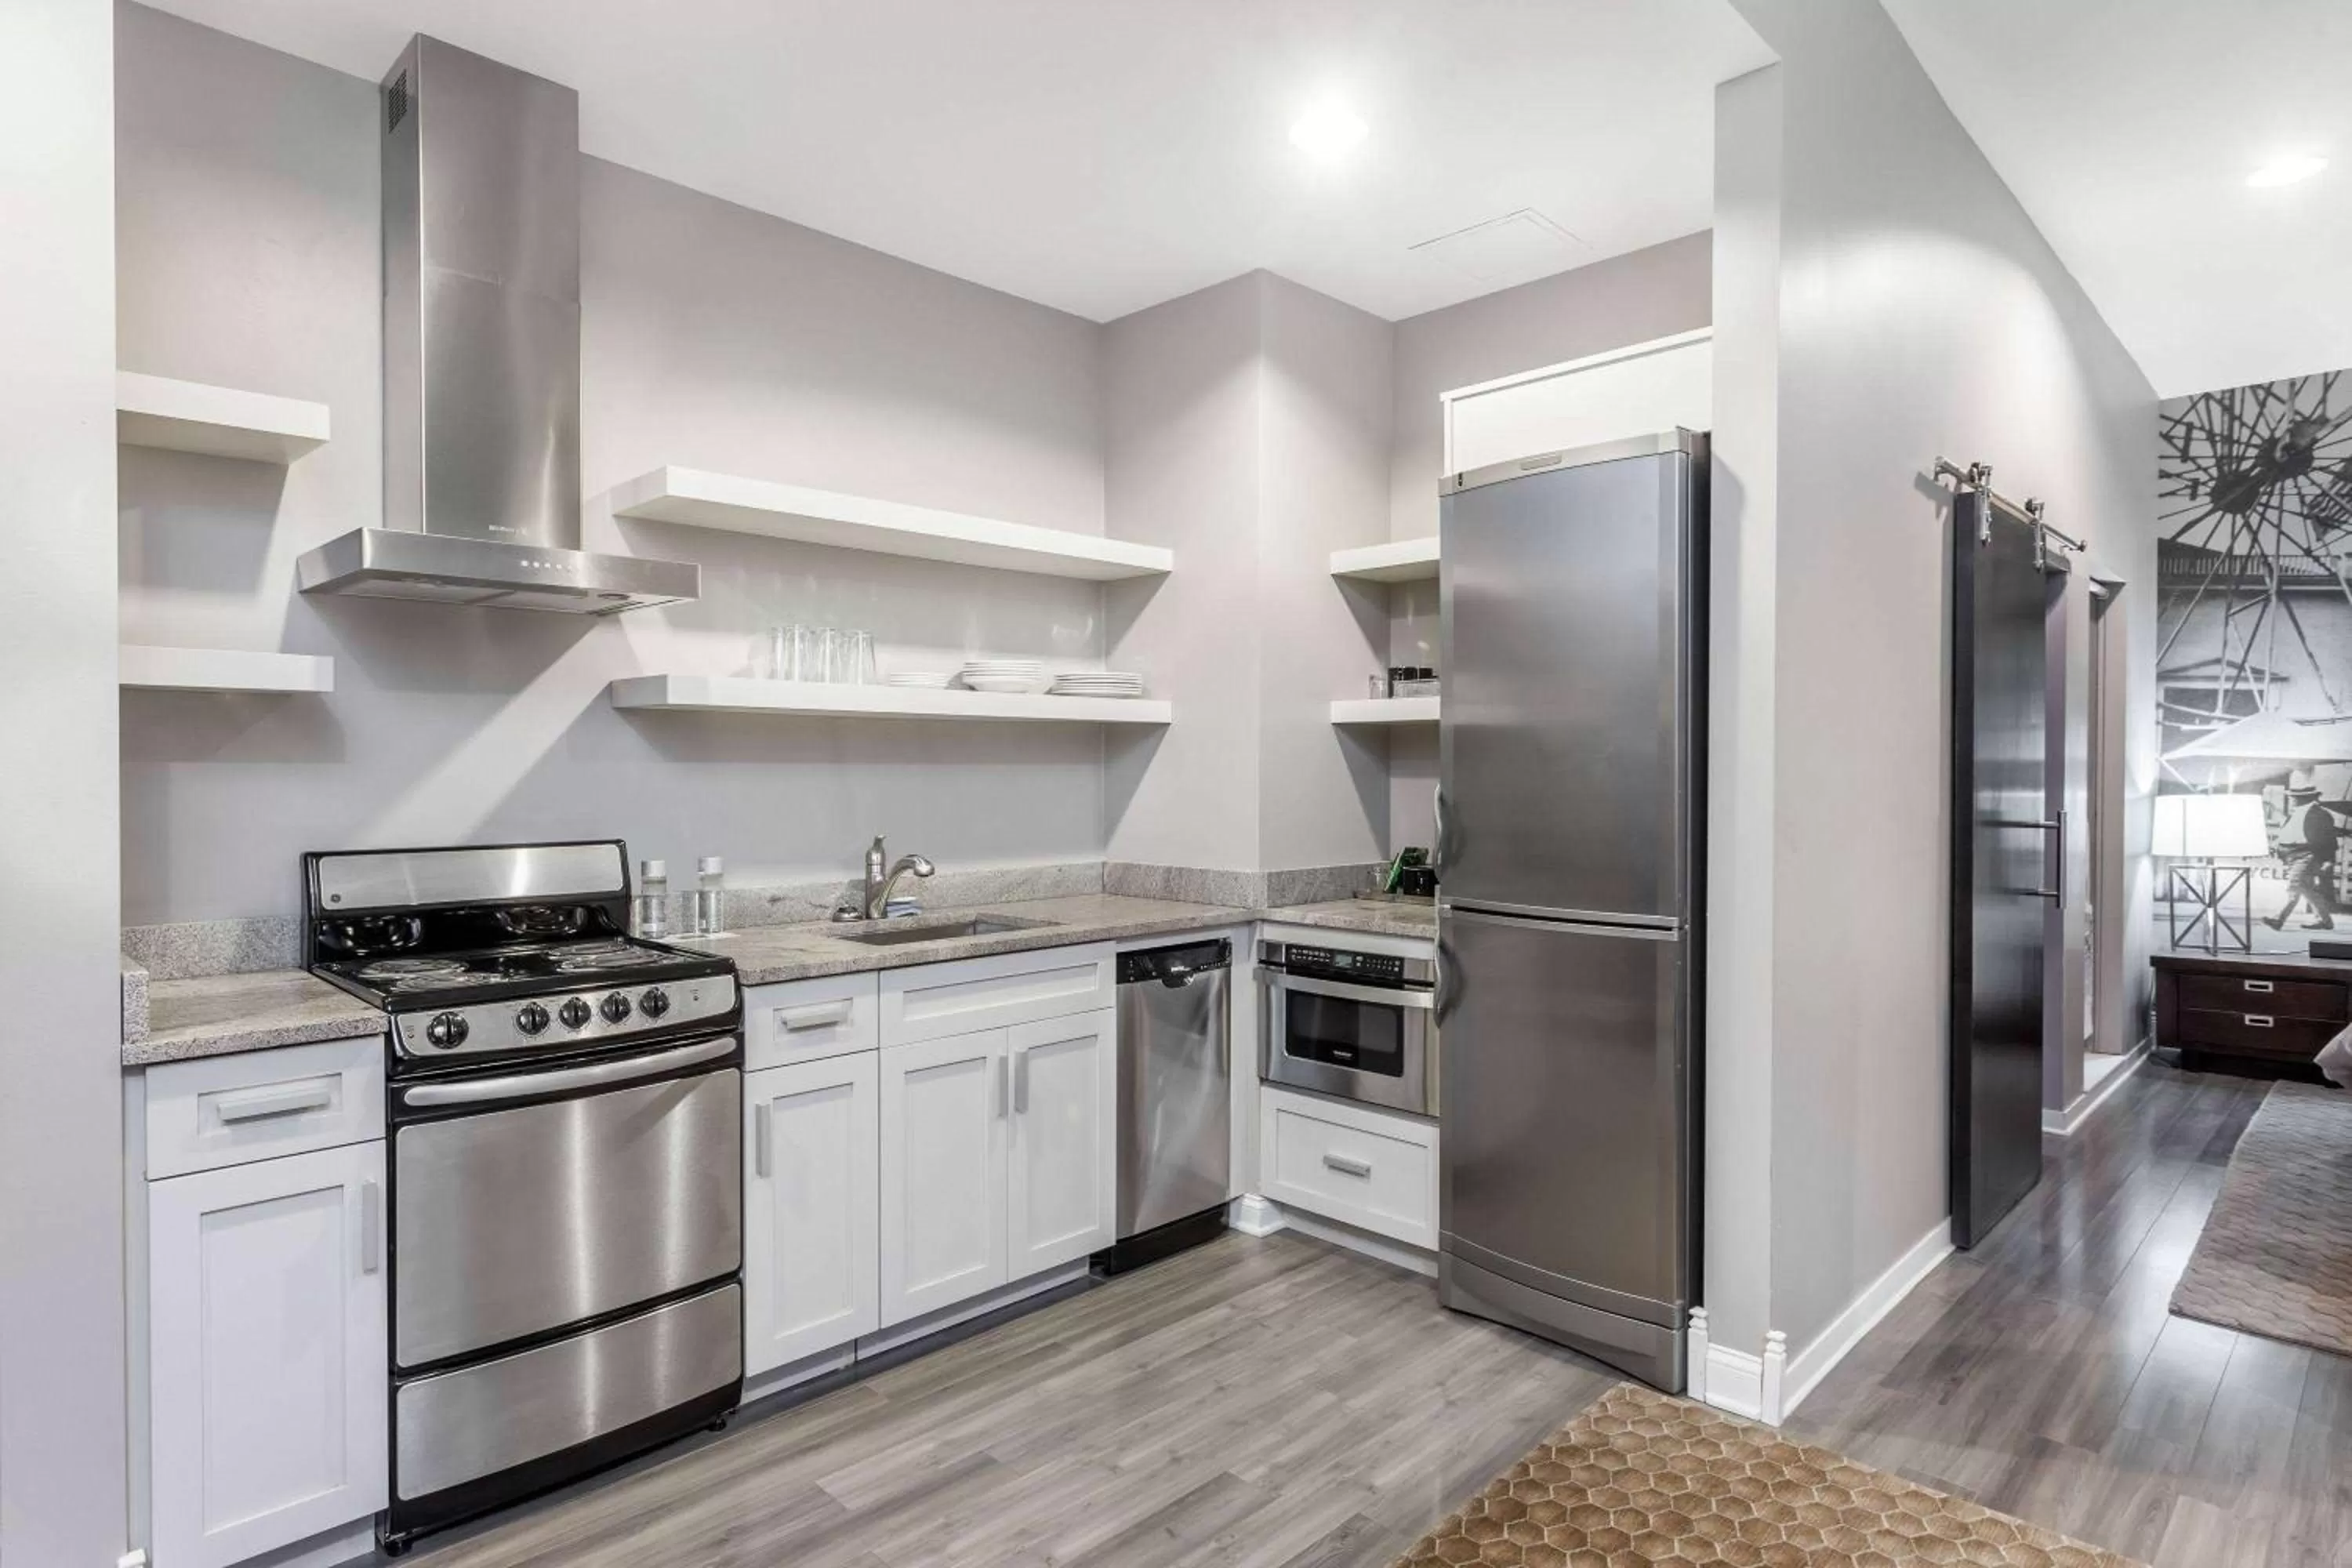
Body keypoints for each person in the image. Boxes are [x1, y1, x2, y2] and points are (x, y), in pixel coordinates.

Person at [2266, 771, 2343, 931]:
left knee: (2294, 885)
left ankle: (2279, 919)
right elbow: (2288, 833)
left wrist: (2329, 860)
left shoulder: (2320, 814)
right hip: (2292, 856)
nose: (2292, 799)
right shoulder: (2295, 813)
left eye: (2295, 797)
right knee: (2307, 889)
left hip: (2307, 855)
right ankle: (2325, 921)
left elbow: (2330, 840)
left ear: (2304, 798)